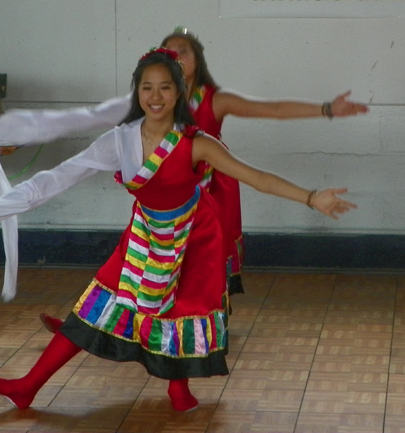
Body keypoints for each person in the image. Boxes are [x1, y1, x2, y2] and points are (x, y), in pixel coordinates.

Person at [0, 48, 357, 412]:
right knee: (95, 306)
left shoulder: (197, 143)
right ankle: (28, 386)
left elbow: (255, 177)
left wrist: (310, 197)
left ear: (179, 93)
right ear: (137, 93)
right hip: (144, 237)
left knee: (177, 312)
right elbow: (61, 176)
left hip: (194, 238)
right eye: (147, 87)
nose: (156, 96)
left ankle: (178, 390)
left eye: (165, 87)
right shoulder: (120, 141)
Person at [38, 27, 369, 334]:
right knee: (131, 265)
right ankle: (79, 327)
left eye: (183, 50)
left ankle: (205, 332)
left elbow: (273, 109)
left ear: (197, 59)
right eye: (169, 51)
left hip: (210, 195)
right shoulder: (153, 100)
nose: (176, 56)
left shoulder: (214, 99)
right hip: (164, 199)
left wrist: (326, 108)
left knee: (203, 269)